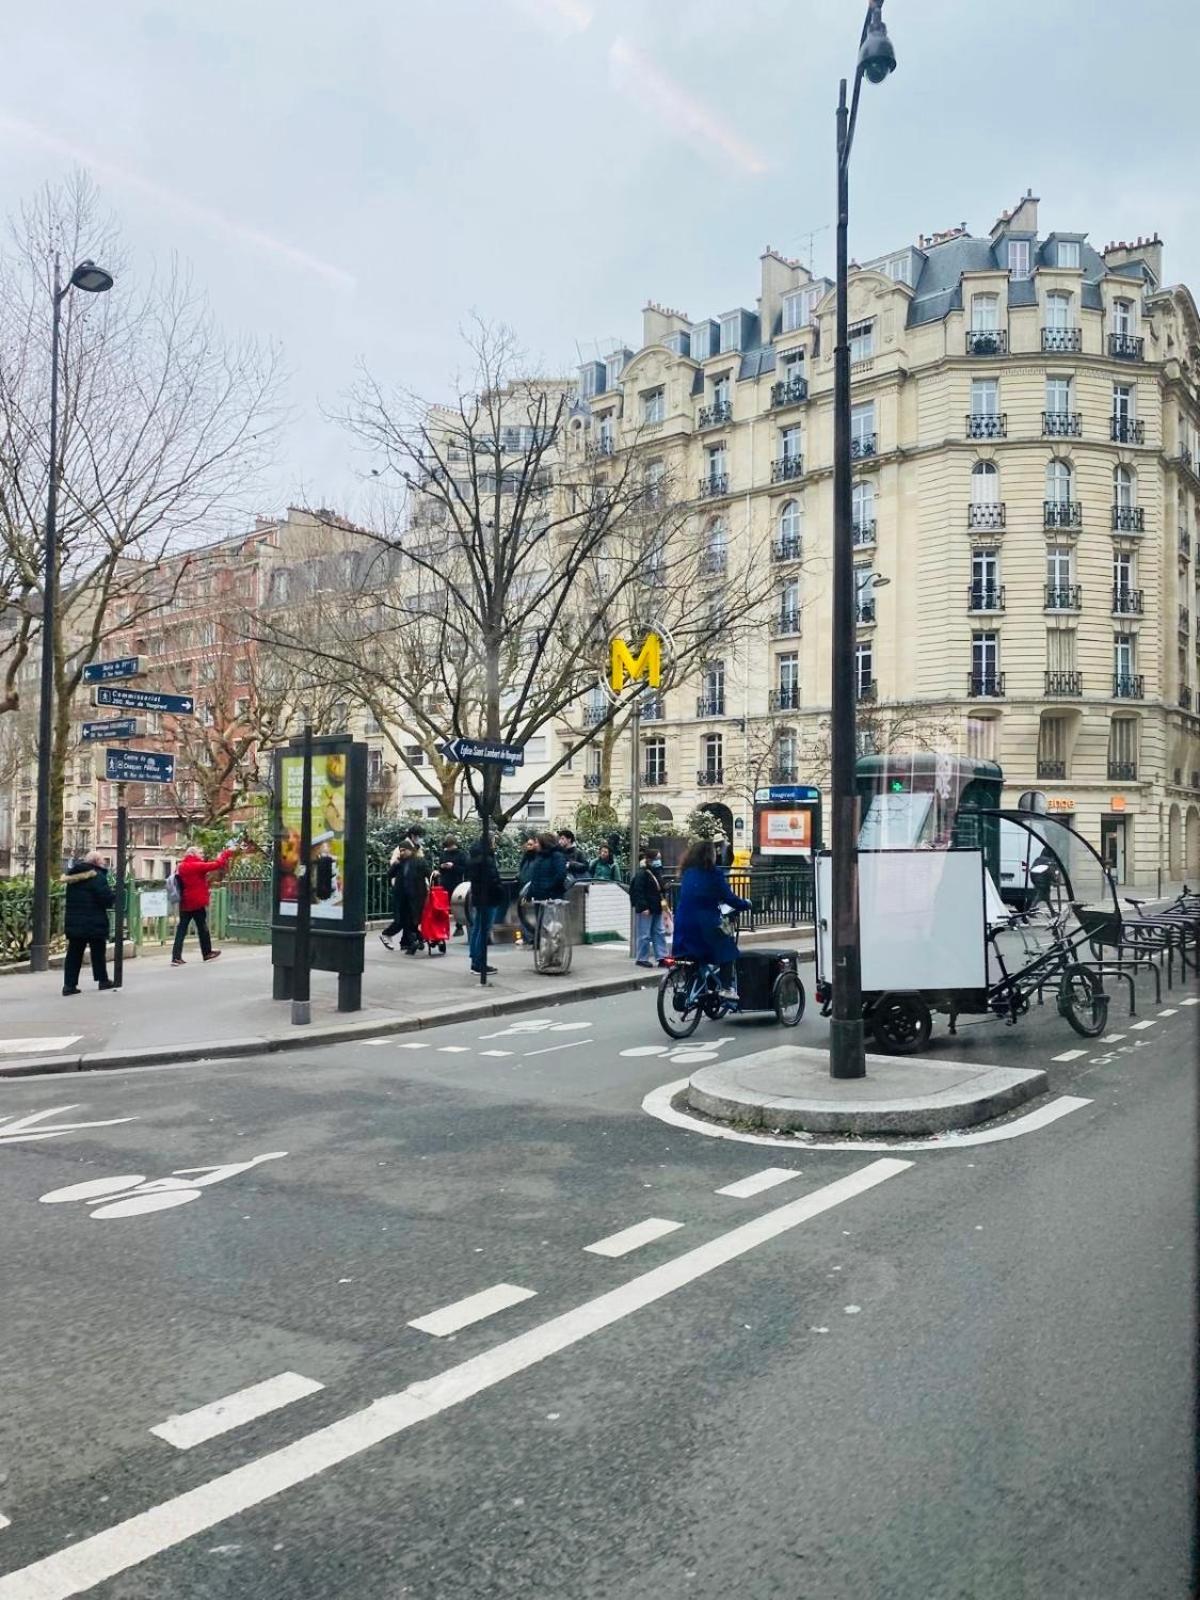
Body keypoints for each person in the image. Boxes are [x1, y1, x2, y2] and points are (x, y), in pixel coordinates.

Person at [671, 838, 751, 999]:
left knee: (693, 957)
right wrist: (745, 904)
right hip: (704, 924)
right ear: (709, 855)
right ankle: (726, 988)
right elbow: (728, 897)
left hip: (683, 923)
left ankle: (695, 989)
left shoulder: (687, 873)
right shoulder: (714, 874)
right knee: (729, 949)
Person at [172, 843, 240, 965]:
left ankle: (176, 957)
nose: (202, 855)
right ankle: (207, 953)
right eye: (200, 853)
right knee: (202, 928)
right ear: (193, 854)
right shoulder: (196, 865)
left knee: (181, 929)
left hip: (185, 902)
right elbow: (217, 864)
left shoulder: (181, 866)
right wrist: (227, 852)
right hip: (196, 902)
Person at [60, 850, 115, 996]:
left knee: (74, 953)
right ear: (96, 862)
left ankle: (69, 985)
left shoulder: (73, 877)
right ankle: (102, 980)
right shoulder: (97, 876)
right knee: (98, 953)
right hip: (94, 921)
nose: (104, 864)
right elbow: (106, 898)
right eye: (102, 861)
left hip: (75, 921)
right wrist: (113, 897)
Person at [466, 834, 505, 976]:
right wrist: (500, 890)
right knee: (484, 930)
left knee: (477, 928)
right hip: (488, 897)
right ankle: (479, 963)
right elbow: (492, 880)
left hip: (478, 896)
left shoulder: (474, 857)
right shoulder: (487, 859)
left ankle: (475, 960)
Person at [528, 832, 568, 952]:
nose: (536, 845)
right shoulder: (539, 857)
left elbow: (560, 875)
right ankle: (544, 951)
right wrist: (530, 892)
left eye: (537, 842)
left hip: (552, 896)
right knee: (542, 924)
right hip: (539, 896)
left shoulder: (557, 856)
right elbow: (534, 877)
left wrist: (548, 887)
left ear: (544, 843)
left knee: (553, 926)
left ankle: (554, 952)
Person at [629, 847, 668, 969]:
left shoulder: (656, 872)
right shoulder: (642, 874)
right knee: (644, 934)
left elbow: (660, 887)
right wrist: (643, 907)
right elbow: (638, 891)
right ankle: (642, 958)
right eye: (657, 858)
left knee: (659, 932)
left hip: (656, 907)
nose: (659, 861)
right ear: (650, 860)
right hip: (647, 908)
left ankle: (661, 957)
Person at [438, 834, 470, 938]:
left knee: (456, 905)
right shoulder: (444, 854)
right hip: (445, 882)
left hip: (456, 883)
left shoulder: (461, 855)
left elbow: (465, 869)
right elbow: (440, 867)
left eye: (450, 846)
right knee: (444, 906)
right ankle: (444, 927)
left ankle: (459, 926)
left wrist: (453, 866)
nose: (448, 848)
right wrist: (442, 867)